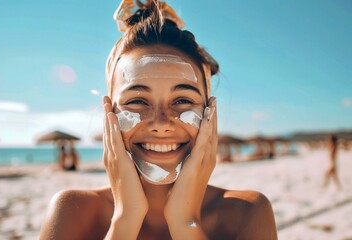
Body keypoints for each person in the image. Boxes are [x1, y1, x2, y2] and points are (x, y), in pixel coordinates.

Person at [40, 1, 277, 239]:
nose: (161, 123)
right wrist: (126, 217)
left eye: (182, 100)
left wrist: (186, 222)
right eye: (138, 101)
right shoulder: (72, 211)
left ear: (209, 112)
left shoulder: (247, 213)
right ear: (109, 114)